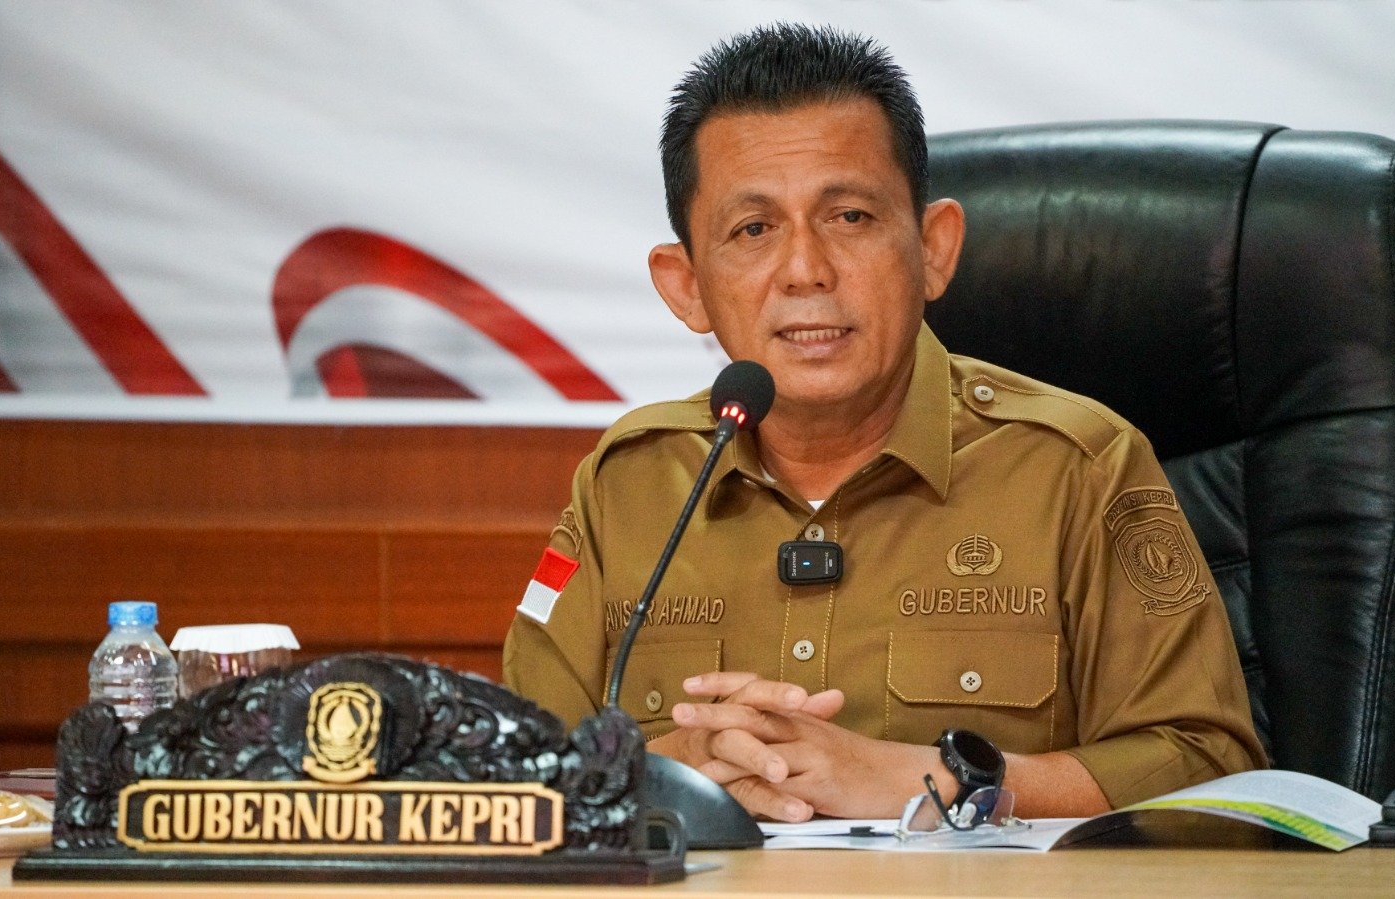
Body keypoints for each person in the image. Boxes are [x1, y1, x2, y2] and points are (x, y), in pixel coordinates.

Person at [503, 22, 1265, 823]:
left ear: (934, 248)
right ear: (685, 284)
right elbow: (512, 772)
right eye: (754, 229)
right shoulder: (626, 486)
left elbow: (1213, 769)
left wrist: (941, 780)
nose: (806, 271)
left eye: (850, 217)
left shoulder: (1080, 467)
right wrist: (662, 771)